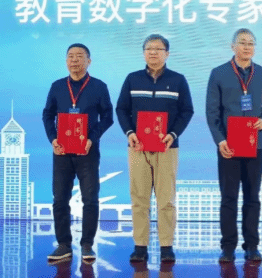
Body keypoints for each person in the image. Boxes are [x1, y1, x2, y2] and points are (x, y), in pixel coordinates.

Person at [116, 34, 194, 263]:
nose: (153, 52)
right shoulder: (132, 79)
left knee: (166, 199)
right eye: (149, 48)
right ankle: (140, 246)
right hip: (138, 147)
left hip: (167, 148)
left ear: (167, 54)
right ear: (143, 53)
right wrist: (129, 133)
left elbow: (187, 111)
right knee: (139, 198)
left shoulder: (178, 80)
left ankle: (166, 246)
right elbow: (121, 109)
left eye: (158, 49)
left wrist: (173, 134)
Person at [206, 28, 262, 263]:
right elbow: (212, 112)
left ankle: (252, 246)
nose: (247, 47)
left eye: (251, 43)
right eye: (243, 42)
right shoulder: (219, 73)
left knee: (252, 197)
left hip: (255, 144)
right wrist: (220, 140)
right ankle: (228, 247)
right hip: (229, 146)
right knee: (229, 198)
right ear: (233, 46)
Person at [42, 43, 114, 262]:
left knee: (90, 199)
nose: (74, 60)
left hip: (87, 151)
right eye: (70, 56)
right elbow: (47, 115)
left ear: (88, 61)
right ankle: (63, 244)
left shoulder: (99, 87)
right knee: (59, 199)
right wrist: (53, 139)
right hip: (62, 151)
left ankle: (87, 245)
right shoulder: (57, 86)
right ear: (66, 61)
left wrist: (92, 138)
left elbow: (108, 117)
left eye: (79, 56)